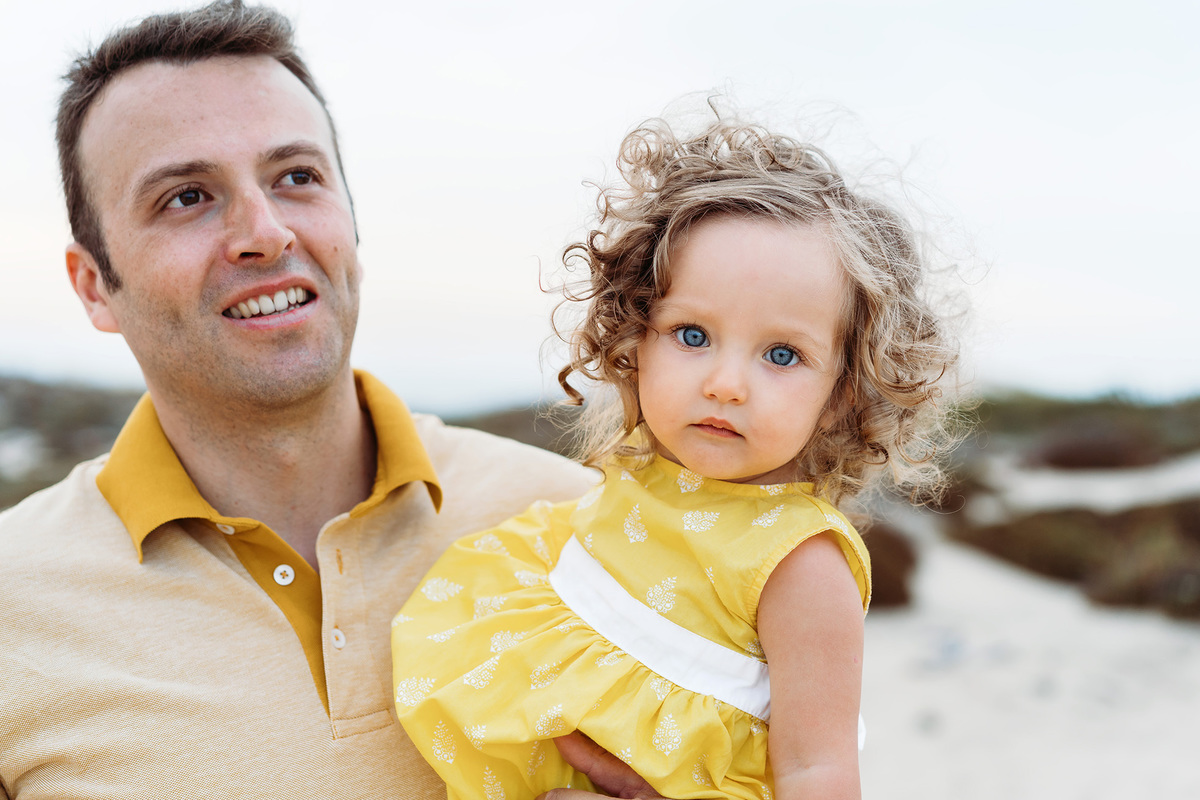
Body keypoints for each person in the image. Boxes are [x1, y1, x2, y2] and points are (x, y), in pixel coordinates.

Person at [0, 2, 593, 798]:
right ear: (93, 286)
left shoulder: (581, 526)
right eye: (186, 197)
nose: (267, 231)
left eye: (296, 178)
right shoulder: (16, 601)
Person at [392, 119, 960, 800]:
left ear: (841, 394)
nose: (725, 382)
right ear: (636, 340)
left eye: (782, 354)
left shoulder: (801, 563)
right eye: (692, 334)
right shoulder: (633, 478)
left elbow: (820, 771)